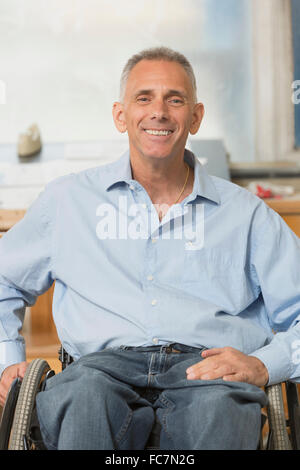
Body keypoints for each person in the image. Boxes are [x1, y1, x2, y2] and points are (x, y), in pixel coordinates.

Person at [0, 46, 300, 450]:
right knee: (82, 399)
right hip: (97, 371)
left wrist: (265, 364)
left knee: (221, 411)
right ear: (120, 115)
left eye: (174, 99)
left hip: (207, 370)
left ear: (195, 116)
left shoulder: (247, 215)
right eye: (144, 98)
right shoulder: (68, 200)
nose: (159, 111)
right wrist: (7, 360)